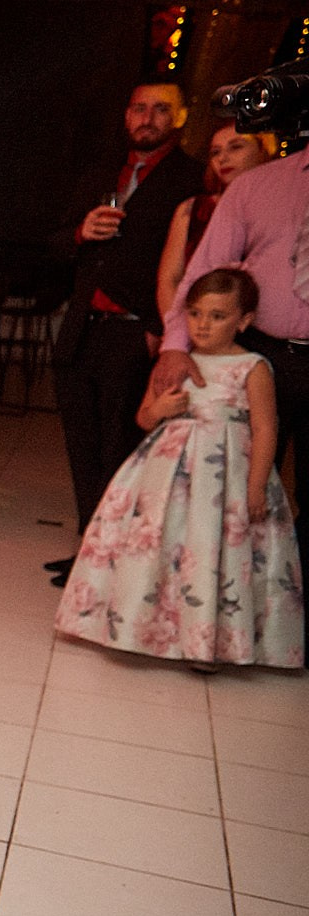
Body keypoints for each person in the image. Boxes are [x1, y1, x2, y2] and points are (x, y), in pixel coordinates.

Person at [57, 269, 303, 668]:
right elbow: (143, 417)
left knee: (213, 551)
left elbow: (265, 429)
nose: (203, 325)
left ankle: (209, 641)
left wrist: (257, 485)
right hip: (167, 475)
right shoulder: (174, 362)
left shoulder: (253, 367)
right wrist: (161, 409)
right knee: (164, 546)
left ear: (243, 321)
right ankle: (141, 628)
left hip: (225, 478)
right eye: (195, 313)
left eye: (217, 316)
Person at [151, 144, 309, 658]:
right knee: (241, 502)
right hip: (263, 350)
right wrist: (176, 345)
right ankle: (223, 623)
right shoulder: (259, 185)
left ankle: (291, 631)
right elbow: (204, 273)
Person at [46, 81, 205, 587]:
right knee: (83, 448)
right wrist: (80, 232)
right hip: (81, 328)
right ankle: (89, 548)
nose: (147, 117)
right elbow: (54, 243)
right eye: (139, 108)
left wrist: (161, 330)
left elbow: (193, 268)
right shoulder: (101, 173)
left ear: (180, 117)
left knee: (123, 449)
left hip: (138, 331)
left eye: (160, 109)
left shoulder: (192, 178)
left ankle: (113, 560)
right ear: (126, 115)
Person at [155, 122, 275, 320]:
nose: (223, 158)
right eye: (215, 152)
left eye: (236, 147)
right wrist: (178, 331)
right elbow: (169, 279)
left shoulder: (283, 205)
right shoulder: (194, 209)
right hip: (200, 327)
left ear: (264, 149)